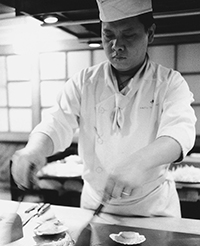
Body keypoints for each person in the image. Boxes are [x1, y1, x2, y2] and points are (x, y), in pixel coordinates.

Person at [11, 0, 196, 218]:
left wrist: (140, 161)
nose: (116, 45)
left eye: (128, 35)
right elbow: (56, 123)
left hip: (152, 210)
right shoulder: (84, 82)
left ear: (151, 33)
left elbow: (180, 132)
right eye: (108, 35)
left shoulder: (169, 82)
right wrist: (34, 150)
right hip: (96, 208)